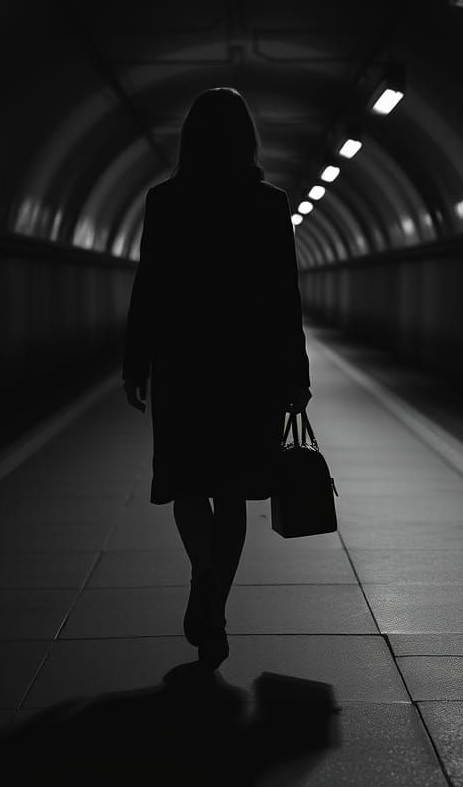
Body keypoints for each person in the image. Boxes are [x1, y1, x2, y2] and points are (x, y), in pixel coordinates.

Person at [122, 86, 312, 668]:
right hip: (247, 369)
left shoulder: (165, 200)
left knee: (186, 483)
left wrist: (136, 361)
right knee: (230, 492)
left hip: (182, 365)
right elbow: (285, 296)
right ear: (247, 138)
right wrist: (294, 374)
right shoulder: (268, 203)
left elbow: (148, 286)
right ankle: (218, 603)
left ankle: (201, 572)